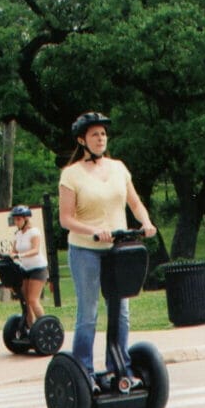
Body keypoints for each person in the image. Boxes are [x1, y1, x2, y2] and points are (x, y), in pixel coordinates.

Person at [59, 112, 157, 393]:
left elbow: (135, 204)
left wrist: (146, 222)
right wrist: (91, 230)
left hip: (118, 249)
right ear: (82, 140)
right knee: (88, 313)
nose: (100, 138)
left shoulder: (118, 168)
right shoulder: (71, 174)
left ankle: (119, 369)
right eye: (94, 134)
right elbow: (66, 219)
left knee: (121, 311)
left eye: (103, 134)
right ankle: (85, 372)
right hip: (86, 251)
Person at [8, 205, 49, 332]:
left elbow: (36, 250)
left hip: (38, 268)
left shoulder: (34, 232)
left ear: (26, 219)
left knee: (33, 300)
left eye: (19, 219)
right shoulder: (18, 234)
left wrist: (20, 255)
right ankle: (31, 330)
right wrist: (9, 255)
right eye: (15, 219)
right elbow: (13, 250)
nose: (16, 222)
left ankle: (45, 328)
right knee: (25, 300)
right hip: (25, 269)